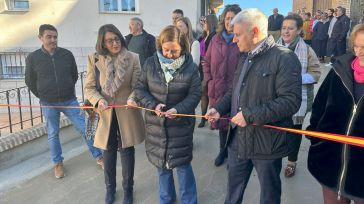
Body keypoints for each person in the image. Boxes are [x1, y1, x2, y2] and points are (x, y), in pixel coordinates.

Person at [206, 8, 302, 204]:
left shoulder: (284, 58)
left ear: (255, 32)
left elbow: (291, 101)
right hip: (238, 141)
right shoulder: (244, 56)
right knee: (232, 196)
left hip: (267, 145)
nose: (234, 40)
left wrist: (249, 115)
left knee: (269, 197)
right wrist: (218, 108)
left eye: (238, 35)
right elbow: (233, 93)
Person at [25, 24, 103, 179]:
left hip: (69, 100)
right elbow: (29, 81)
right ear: (40, 38)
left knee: (85, 128)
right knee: (53, 134)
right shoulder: (33, 58)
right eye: (49, 37)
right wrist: (42, 95)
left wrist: (66, 89)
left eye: (55, 36)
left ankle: (99, 156)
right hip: (48, 103)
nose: (53, 40)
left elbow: (73, 75)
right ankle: (58, 163)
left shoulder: (67, 54)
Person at [134, 25, 201, 204]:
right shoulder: (149, 63)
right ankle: (167, 199)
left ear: (183, 48)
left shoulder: (191, 67)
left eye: (175, 51)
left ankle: (189, 200)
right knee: (162, 167)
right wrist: (153, 105)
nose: (170, 55)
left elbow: (195, 94)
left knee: (183, 167)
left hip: (180, 127)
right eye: (166, 50)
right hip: (156, 127)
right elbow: (140, 89)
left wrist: (179, 109)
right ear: (160, 46)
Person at [84, 24, 145, 204]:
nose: (115, 43)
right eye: (110, 40)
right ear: (102, 42)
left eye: (117, 38)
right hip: (105, 114)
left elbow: (138, 85)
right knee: (108, 152)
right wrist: (98, 100)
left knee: (127, 151)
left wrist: (133, 98)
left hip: (127, 111)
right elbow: (89, 88)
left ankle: (128, 189)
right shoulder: (94, 59)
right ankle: (110, 189)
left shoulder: (133, 58)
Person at [306, 24, 364, 204]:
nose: (360, 52)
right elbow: (320, 105)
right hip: (331, 165)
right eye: (357, 46)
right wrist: (316, 136)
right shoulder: (339, 70)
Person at [277, 13, 321, 178]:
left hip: (298, 100)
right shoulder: (273, 48)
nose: (286, 32)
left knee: (294, 132)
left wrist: (295, 79)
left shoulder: (307, 50)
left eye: (290, 28)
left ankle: (291, 162)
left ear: (299, 30)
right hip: (277, 99)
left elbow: (316, 73)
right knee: (279, 130)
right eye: (283, 28)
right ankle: (275, 158)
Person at [203, 4, 241, 166]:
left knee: (235, 124)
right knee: (221, 124)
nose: (229, 22)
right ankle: (222, 152)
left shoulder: (241, 38)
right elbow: (206, 61)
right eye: (227, 18)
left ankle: (233, 155)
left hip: (235, 91)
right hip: (217, 88)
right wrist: (209, 79)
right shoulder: (215, 38)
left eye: (233, 18)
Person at [197, 14, 218, 128]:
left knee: (211, 95)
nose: (203, 24)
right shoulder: (202, 37)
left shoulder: (215, 36)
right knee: (203, 94)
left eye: (205, 22)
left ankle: (211, 119)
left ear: (210, 22)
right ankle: (203, 118)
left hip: (211, 70)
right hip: (201, 69)